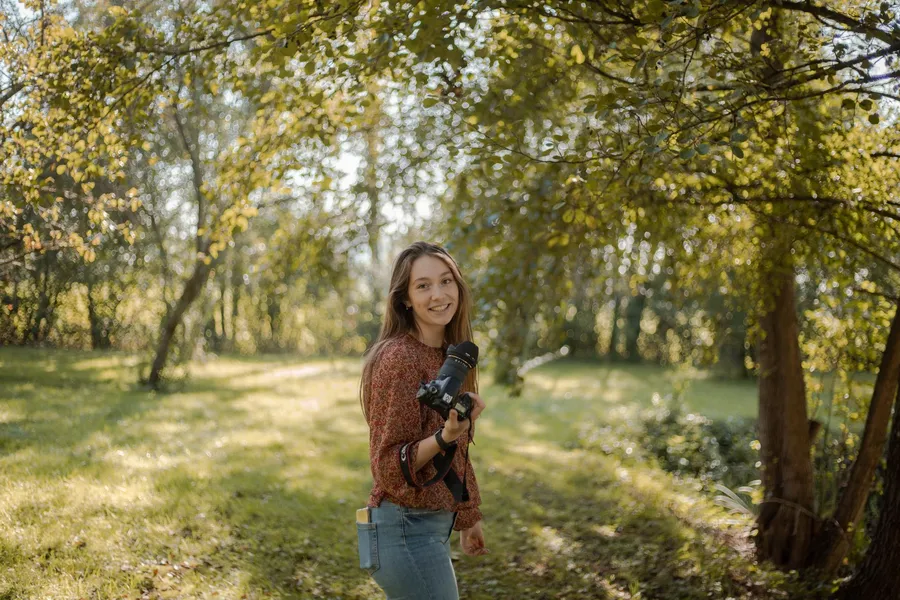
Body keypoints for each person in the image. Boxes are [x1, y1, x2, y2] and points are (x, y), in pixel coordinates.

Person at [357, 241, 488, 600]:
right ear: (405, 299)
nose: (439, 294)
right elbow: (387, 465)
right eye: (423, 285)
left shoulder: (451, 357)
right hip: (403, 529)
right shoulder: (398, 358)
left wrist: (467, 516)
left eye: (446, 281)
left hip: (428, 528)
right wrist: (444, 436)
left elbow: (456, 451)